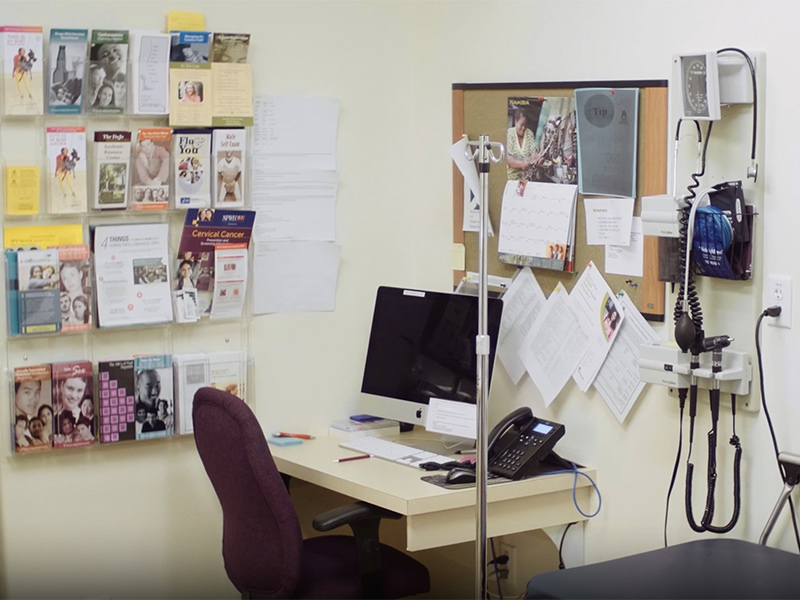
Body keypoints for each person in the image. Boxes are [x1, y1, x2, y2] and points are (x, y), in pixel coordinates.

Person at [506, 107, 540, 181]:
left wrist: (538, 157)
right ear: (515, 121)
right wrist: (522, 164)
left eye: (525, 125)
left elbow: (533, 152)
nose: (523, 128)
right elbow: (508, 158)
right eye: (521, 125)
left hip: (527, 178)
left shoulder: (529, 134)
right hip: (512, 179)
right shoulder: (509, 134)